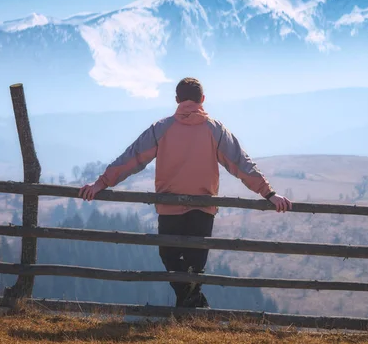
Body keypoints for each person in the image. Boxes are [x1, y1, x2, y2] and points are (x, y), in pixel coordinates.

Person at [79, 77, 292, 308]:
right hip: (203, 209)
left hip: (168, 207)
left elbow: (132, 158)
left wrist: (101, 183)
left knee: (171, 260)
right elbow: (241, 164)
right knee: (195, 267)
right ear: (202, 99)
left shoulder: (161, 129)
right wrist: (268, 193)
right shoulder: (215, 130)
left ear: (177, 100)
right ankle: (197, 312)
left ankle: (191, 315)